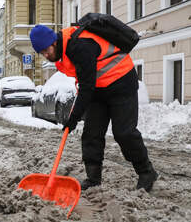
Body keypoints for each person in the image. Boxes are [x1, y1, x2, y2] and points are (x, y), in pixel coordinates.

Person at [29, 23, 158, 192]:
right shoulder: (65, 50)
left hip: (121, 83)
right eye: (42, 53)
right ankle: (93, 178)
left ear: (54, 42)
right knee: (91, 133)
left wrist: (73, 118)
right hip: (99, 89)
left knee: (124, 132)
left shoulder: (79, 46)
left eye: (47, 50)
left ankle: (146, 172)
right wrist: (75, 116)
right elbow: (86, 84)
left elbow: (86, 87)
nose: (46, 55)